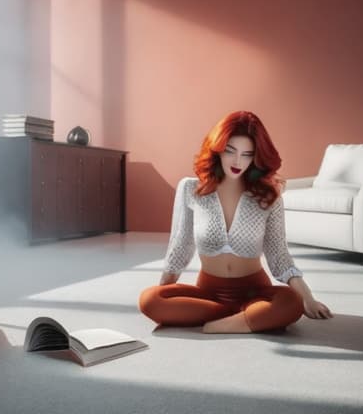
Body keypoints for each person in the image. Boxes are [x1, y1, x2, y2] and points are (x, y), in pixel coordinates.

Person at [139, 110, 332, 333]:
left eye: (247, 154)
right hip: (208, 295)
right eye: (230, 151)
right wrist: (165, 295)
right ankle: (245, 319)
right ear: (217, 149)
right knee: (149, 299)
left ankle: (223, 323)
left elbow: (279, 256)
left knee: (291, 303)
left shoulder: (268, 197)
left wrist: (308, 298)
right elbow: (180, 247)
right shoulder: (191, 189)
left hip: (255, 293)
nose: (238, 161)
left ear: (256, 157)